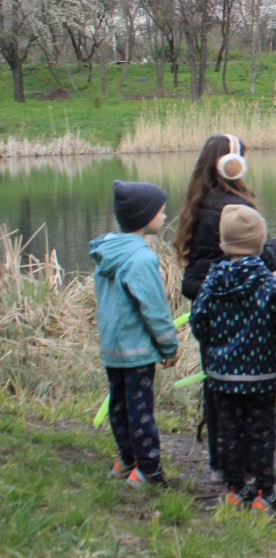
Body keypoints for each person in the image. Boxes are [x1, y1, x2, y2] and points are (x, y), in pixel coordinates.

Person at [173, 134, 276, 481]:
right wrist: (275, 254)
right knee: (251, 399)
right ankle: (254, 470)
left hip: (211, 307)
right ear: (231, 164)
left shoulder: (198, 201)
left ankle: (224, 465)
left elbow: (200, 271)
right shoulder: (234, 208)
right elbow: (245, 263)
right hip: (240, 313)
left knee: (218, 387)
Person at [190, 205, 276, 513]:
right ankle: (265, 494)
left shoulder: (211, 282)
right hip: (261, 378)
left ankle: (235, 490)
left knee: (227, 433)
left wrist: (214, 348)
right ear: (260, 243)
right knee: (261, 434)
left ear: (223, 244)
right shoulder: (269, 284)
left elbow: (198, 323)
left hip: (221, 377)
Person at [91, 180, 179, 488]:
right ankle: (148, 469)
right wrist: (169, 346)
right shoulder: (141, 259)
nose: (165, 216)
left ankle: (126, 459)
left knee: (119, 405)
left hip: (112, 348)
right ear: (145, 217)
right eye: (161, 211)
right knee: (141, 410)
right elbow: (154, 310)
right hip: (137, 351)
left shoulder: (107, 252)